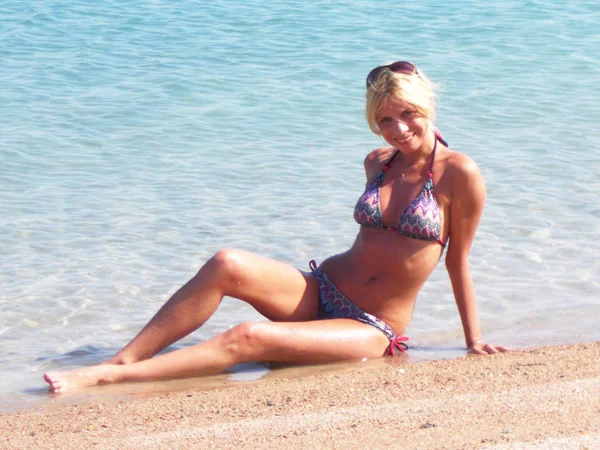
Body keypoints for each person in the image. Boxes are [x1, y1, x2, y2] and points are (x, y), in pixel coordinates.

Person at [44, 61, 507, 393]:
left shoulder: (458, 173)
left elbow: (457, 261)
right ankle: (125, 357)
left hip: (371, 325)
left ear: (426, 105)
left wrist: (474, 341)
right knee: (227, 263)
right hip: (321, 289)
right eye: (384, 119)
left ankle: (108, 377)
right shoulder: (378, 163)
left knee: (249, 336)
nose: (397, 128)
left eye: (407, 113)